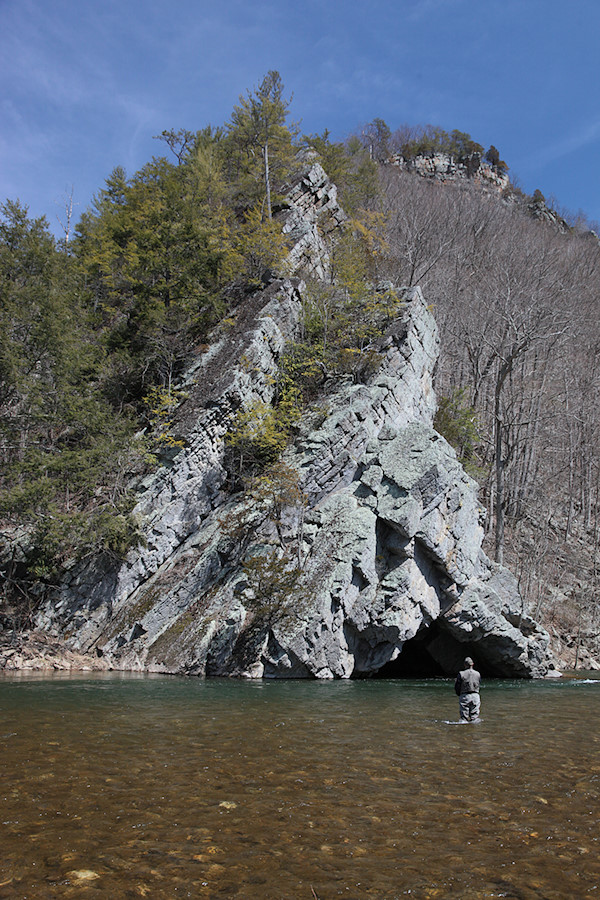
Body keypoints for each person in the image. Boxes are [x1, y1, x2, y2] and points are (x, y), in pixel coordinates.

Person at [454, 656, 481, 723]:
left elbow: (457, 686)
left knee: (464, 719)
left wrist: (459, 694)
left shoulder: (461, 674)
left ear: (465, 665)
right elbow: (479, 683)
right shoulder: (478, 674)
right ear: (472, 664)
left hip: (465, 696)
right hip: (475, 696)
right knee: (475, 718)